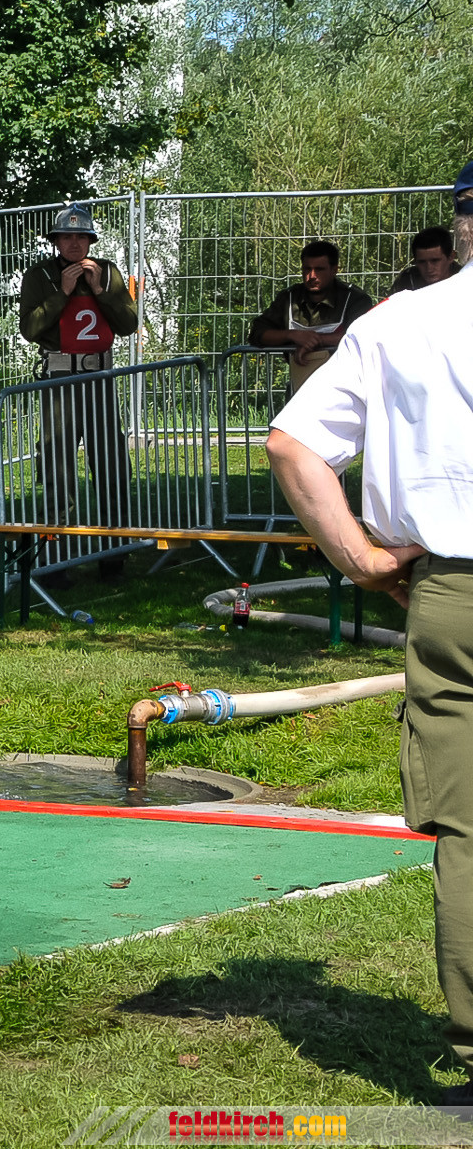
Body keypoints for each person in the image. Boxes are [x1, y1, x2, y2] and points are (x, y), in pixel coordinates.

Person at [265, 264, 472, 1098]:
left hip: (452, 590)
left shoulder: (400, 323)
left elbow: (291, 444)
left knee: (469, 832)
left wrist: (360, 560)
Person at [17, 202, 140, 582]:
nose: (74, 243)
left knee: (112, 465)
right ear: (55, 241)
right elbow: (29, 328)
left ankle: (114, 555)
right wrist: (62, 293)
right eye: (66, 237)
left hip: (100, 378)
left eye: (81, 236)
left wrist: (101, 290)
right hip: (59, 380)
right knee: (58, 468)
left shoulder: (108, 271)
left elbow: (129, 324)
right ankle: (55, 558)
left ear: (91, 240)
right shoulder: (39, 275)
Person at [248, 239, 373, 393]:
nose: (311, 276)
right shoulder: (289, 298)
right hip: (300, 386)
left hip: (347, 388)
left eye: (319, 269)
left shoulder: (355, 299)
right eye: (307, 269)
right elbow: (258, 333)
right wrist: (292, 335)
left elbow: (362, 336)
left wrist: (315, 341)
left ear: (334, 270)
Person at [385, 226, 460, 297]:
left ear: (451, 257)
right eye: (422, 262)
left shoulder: (464, 279)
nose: (429, 268)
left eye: (435, 261)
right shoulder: (407, 280)